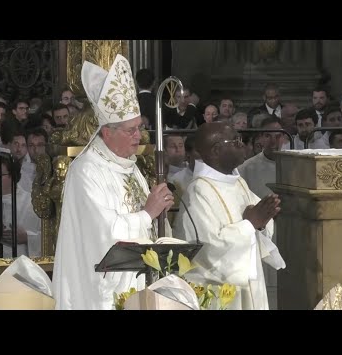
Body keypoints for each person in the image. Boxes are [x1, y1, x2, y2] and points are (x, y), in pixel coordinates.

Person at [53, 54, 174, 310]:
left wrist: (160, 213)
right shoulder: (86, 170)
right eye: (130, 130)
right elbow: (103, 232)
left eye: (139, 127)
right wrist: (147, 213)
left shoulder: (130, 168)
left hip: (140, 282)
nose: (138, 136)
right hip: (102, 290)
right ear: (107, 132)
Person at [174, 122, 285, 310]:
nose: (243, 145)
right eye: (236, 140)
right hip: (219, 291)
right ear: (217, 150)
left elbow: (258, 222)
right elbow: (208, 249)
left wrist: (262, 222)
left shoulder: (237, 181)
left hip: (249, 283)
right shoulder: (199, 192)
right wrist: (251, 224)